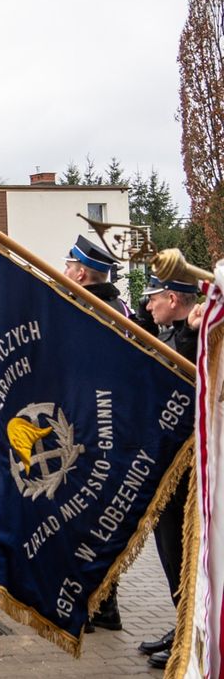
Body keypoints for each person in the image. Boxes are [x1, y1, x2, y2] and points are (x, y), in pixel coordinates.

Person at [131, 275, 204, 669]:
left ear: (173, 298)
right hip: (168, 465)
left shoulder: (196, 338)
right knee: (170, 554)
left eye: (153, 298)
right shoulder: (174, 334)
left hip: (188, 469)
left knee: (184, 554)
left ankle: (190, 633)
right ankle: (181, 624)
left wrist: (194, 329)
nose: (147, 306)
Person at [63, 236, 127, 631]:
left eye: (70, 265)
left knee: (84, 519)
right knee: (98, 518)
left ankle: (88, 604)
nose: (66, 270)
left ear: (82, 273)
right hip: (102, 427)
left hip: (89, 427)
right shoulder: (114, 306)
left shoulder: (92, 309)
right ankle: (104, 604)